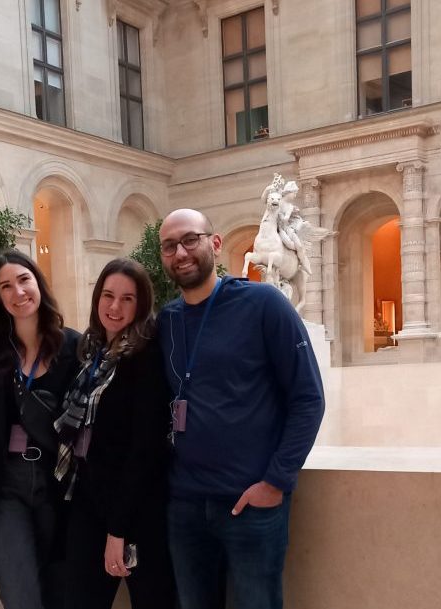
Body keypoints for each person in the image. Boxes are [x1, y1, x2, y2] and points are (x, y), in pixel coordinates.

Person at [156, 209, 325, 609]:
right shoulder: (167, 320)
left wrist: (275, 482)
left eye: (190, 240)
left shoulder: (262, 303)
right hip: (185, 505)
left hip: (250, 504)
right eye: (169, 246)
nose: (180, 252)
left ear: (215, 244)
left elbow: (308, 397)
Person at [55, 258, 175, 609]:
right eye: (108, 295)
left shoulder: (146, 358)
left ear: (141, 306)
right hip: (88, 501)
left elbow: (145, 451)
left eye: (127, 299)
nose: (114, 306)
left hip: (136, 512)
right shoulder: (90, 353)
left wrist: (118, 530)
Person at [0, 250, 81, 609]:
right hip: (6, 485)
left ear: (38, 284)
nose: (17, 292)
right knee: (18, 593)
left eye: (23, 280)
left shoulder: (73, 346)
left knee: (61, 588)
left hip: (58, 482)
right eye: (5, 286)